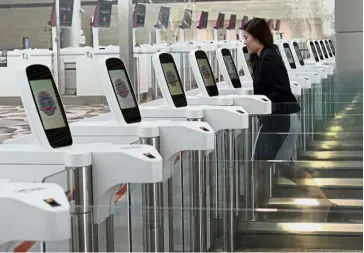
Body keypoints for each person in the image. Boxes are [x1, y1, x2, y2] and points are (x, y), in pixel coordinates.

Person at [242, 18, 340, 221]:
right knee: (274, 168)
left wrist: (257, 103)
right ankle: (323, 204)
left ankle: (261, 217)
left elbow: (278, 92)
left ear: (258, 38)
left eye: (246, 38)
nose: (245, 42)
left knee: (267, 168)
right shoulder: (264, 56)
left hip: (280, 121)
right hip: (279, 120)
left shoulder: (268, 58)